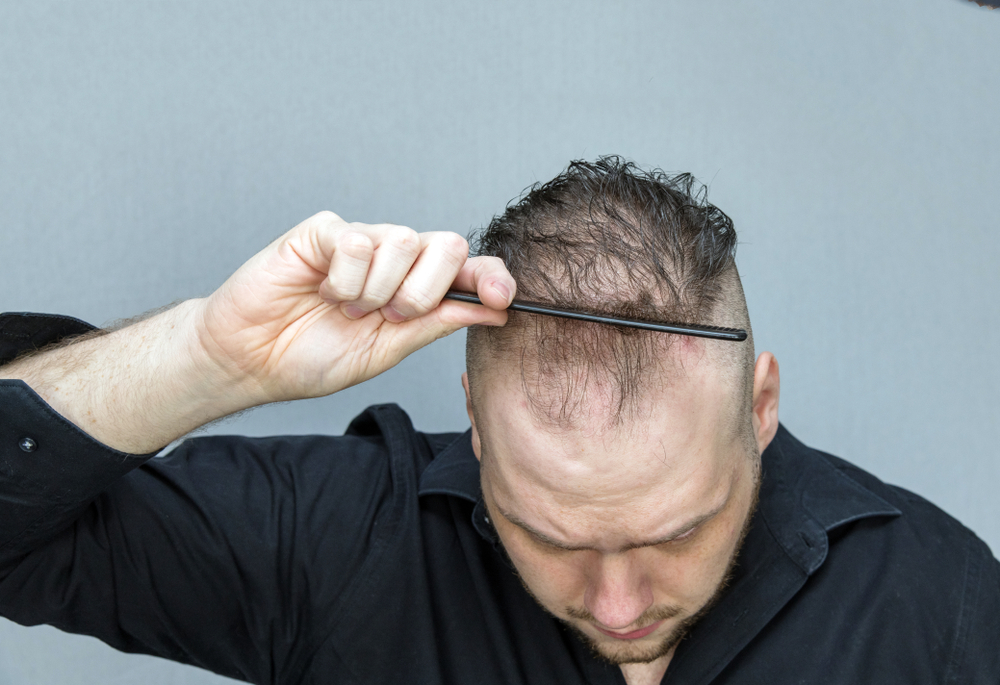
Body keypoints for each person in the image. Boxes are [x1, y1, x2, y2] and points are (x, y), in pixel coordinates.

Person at [0, 157, 996, 685]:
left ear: (761, 406)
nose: (614, 605)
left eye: (677, 531)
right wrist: (207, 359)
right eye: (546, 532)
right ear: (475, 423)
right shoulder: (347, 547)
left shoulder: (941, 603)